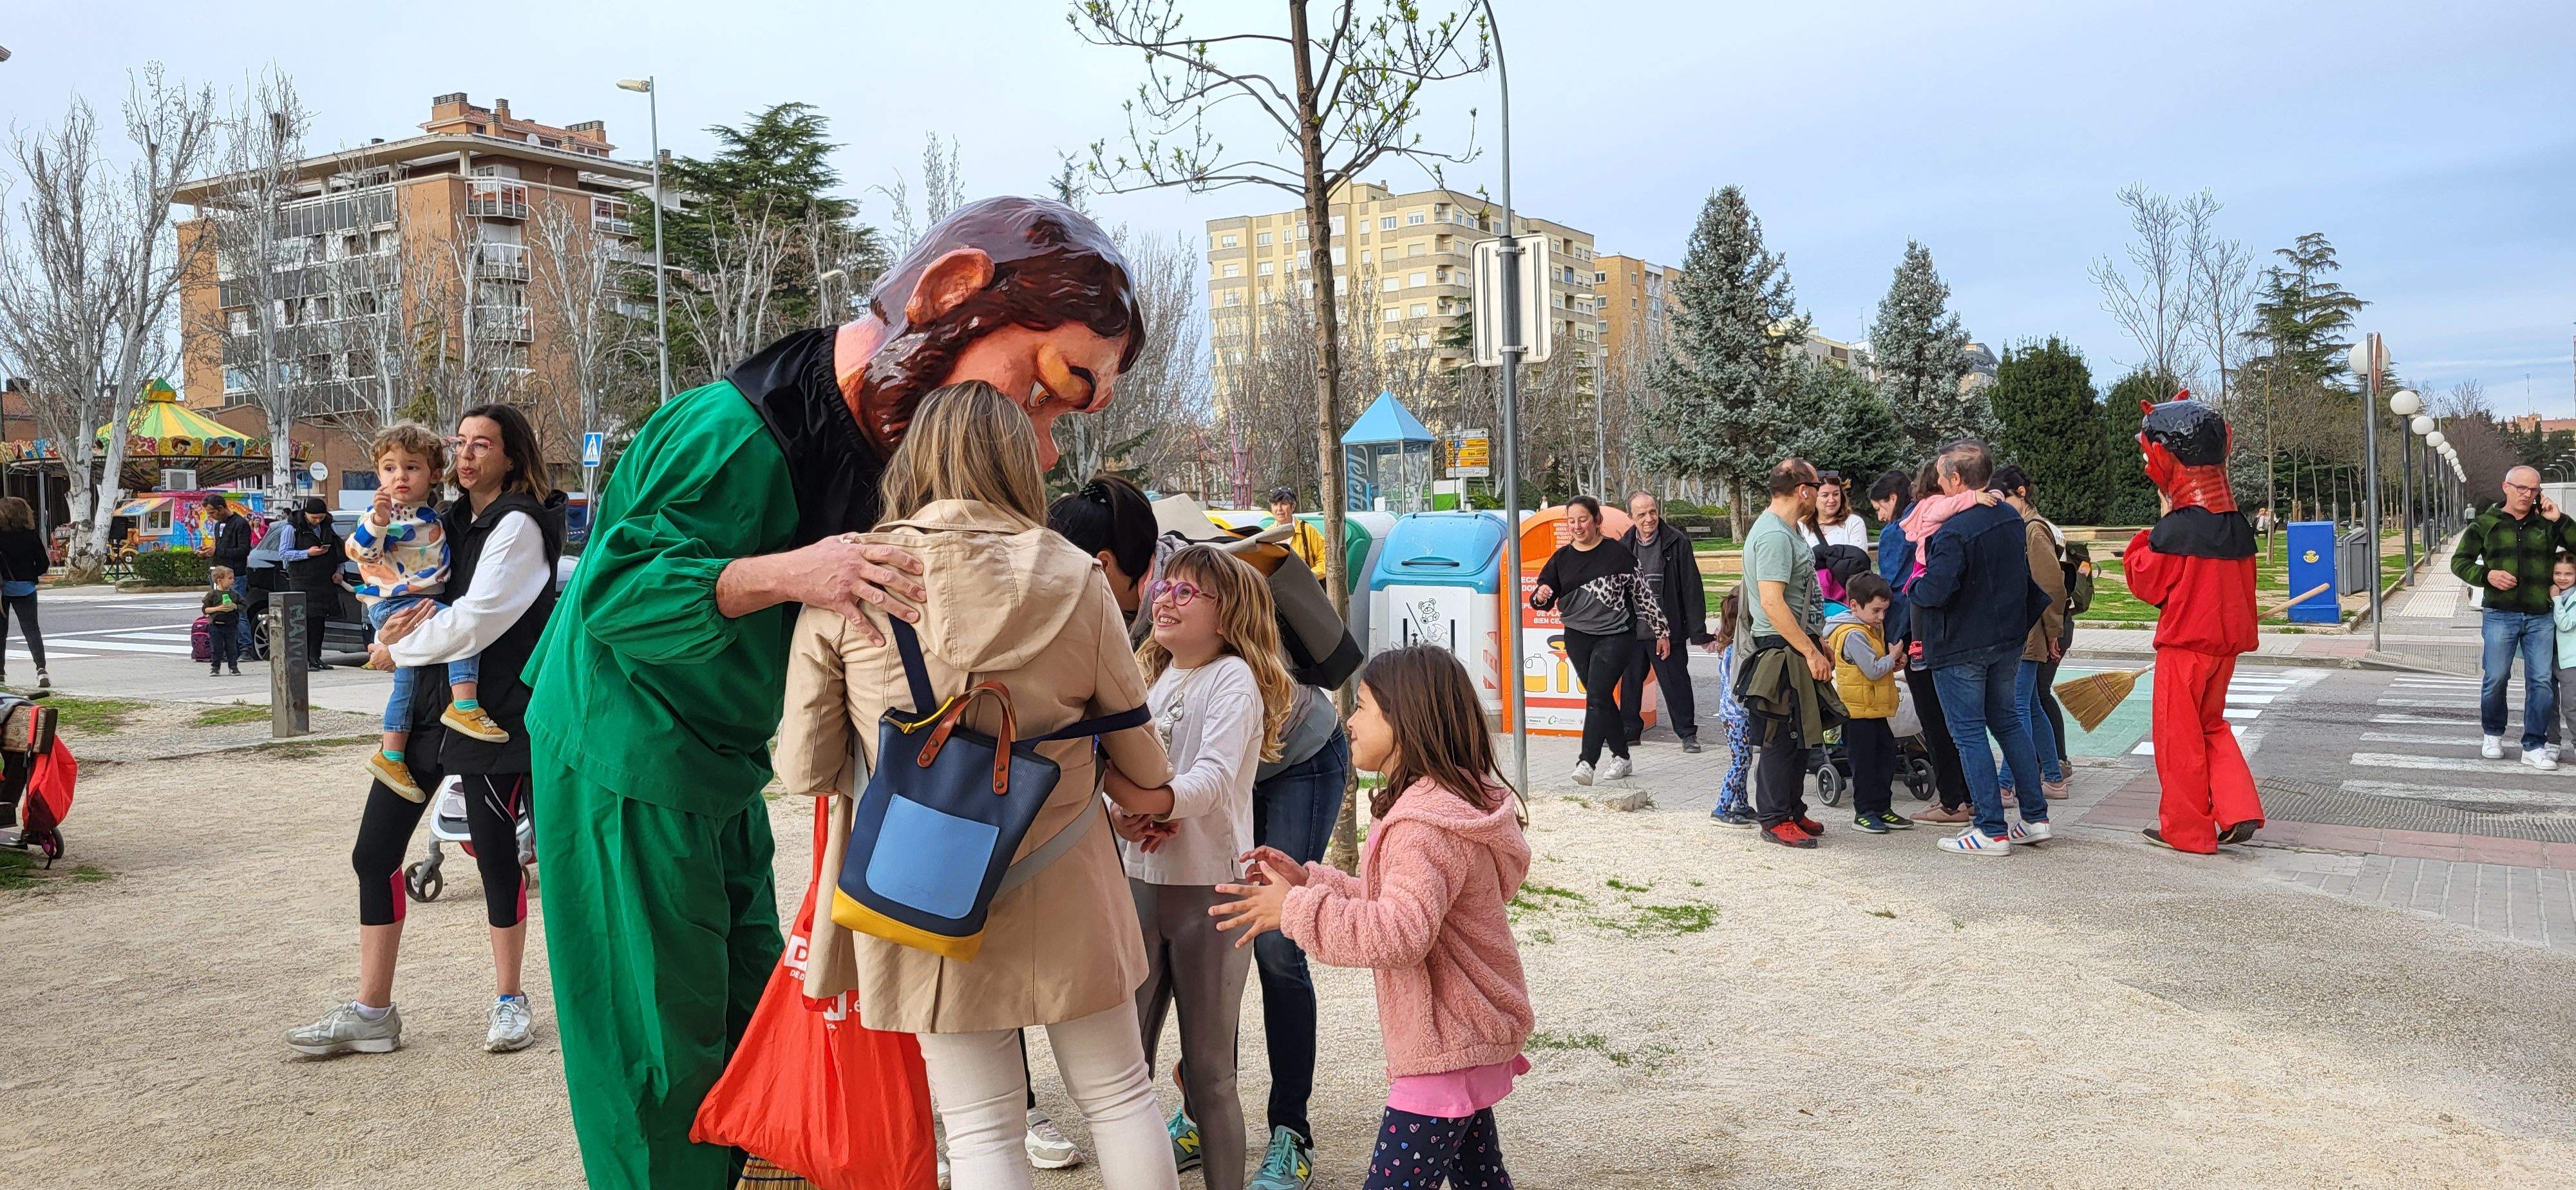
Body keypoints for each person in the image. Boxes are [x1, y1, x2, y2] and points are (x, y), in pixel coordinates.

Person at [525, 195, 1144, 1189]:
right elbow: (614, 592)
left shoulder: (885, 448)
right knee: (654, 1047)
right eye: (1044, 393)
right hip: (628, 750)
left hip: (721, 763)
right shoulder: (733, 431)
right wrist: (788, 573)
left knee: (739, 1020)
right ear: (953, 298)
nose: (1044, 448)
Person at [773, 386, 1182, 1190]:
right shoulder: (1075, 575)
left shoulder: (854, 575)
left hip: (920, 883)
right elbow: (1139, 749)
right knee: (1119, 1094)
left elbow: (802, 768)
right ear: (1017, 461)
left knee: (981, 1129)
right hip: (1066, 869)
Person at [287, 403, 564, 1059]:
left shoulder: (519, 523)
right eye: (460, 443)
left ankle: (509, 1002)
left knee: (497, 859)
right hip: (426, 708)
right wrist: (386, 610)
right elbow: (387, 574)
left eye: (483, 445)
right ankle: (372, 1011)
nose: (467, 456)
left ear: (512, 455)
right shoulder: (447, 519)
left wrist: (393, 648)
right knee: (373, 854)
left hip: (491, 710)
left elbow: (478, 617)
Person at [1211, 645, 1532, 1190]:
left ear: (1405, 723)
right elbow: (1406, 905)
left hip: (1445, 1042)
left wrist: (1294, 909)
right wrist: (1314, 882)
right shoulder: (1444, 804)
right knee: (1481, 1179)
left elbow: (1399, 934)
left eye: (1361, 707)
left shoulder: (1424, 827)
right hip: (1463, 1029)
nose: (1348, 721)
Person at [1097, 543, 1293, 1190]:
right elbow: (1124, 771)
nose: (1166, 599)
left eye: (1187, 592)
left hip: (1212, 893)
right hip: (1143, 885)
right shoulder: (1152, 676)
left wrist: (1143, 801)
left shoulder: (1233, 678)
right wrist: (1126, 813)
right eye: (1164, 588)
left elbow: (1208, 781)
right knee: (1127, 1068)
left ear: (1227, 613)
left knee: (1210, 1074)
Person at [2125, 395, 2263, 853]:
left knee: (2178, 738)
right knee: (2211, 726)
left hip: (2186, 647)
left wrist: (2149, 534)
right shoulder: (2236, 525)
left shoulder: (2177, 529)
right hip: (2223, 647)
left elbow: (2146, 581)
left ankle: (2186, 830)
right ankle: (2237, 806)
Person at [346, 424, 510, 802]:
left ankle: (391, 754)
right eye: (389, 468)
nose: (399, 476)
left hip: (409, 604)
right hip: (399, 603)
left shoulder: (432, 516)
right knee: (459, 627)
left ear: (434, 474)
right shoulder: (383, 515)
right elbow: (360, 553)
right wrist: (379, 522)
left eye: (412, 468)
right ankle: (465, 703)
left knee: (405, 682)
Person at [1910, 441, 2052, 856]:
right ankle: (2035, 818)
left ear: (1956, 480)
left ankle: (1990, 829)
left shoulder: (1952, 530)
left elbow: (1935, 591)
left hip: (1960, 645)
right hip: (2006, 638)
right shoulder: (2008, 515)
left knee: (1968, 733)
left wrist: (1914, 584)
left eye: (1941, 476)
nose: (1937, 482)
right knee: (2008, 723)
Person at [1529, 495, 1667, 786]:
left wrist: (1661, 631)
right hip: (1578, 636)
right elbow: (1542, 597)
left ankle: (1587, 762)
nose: (1577, 526)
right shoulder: (1562, 559)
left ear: (1597, 521)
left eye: (1583, 520)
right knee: (1600, 697)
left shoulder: (1618, 555)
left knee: (1597, 696)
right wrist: (1540, 595)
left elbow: (1643, 596)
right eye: (1572, 521)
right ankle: (1622, 756)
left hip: (1616, 634)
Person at [1736, 459, 1833, 849]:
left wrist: (1815, 638)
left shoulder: (1788, 530)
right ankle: (1774, 818)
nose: (1821, 492)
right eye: (1817, 484)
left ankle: (1792, 808)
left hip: (1795, 643)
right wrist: (1808, 650)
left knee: (1800, 732)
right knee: (1782, 733)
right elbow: (1773, 603)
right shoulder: (1774, 536)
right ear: (1803, 490)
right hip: (1780, 649)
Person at [2452, 463, 2575, 769]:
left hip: (2540, 616)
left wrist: (2559, 519)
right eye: (2521, 487)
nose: (2527, 494)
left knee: (2542, 681)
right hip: (2499, 614)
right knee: (2496, 677)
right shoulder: (2486, 523)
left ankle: (2534, 745)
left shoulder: (2547, 524)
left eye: (2533, 489)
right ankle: (2492, 734)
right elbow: (2459, 562)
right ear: (2506, 487)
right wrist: (2487, 575)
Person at [1871, 469, 1970, 822]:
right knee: (1959, 719)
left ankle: (1952, 800)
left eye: (1880, 508)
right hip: (1951, 631)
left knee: (1933, 717)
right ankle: (1968, 792)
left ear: (1894, 500)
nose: (1880, 517)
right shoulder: (1952, 521)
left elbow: (1895, 588)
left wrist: (1895, 640)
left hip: (1916, 634)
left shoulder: (1900, 531)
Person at [1992, 466, 2071, 802]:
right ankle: (2053, 779)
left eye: (2004, 498)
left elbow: (2051, 586)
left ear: (2020, 494)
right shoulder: (2024, 528)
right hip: (2032, 629)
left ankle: (2007, 783)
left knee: (2017, 710)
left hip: (2031, 631)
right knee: (2031, 707)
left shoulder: (2032, 531)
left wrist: (2054, 631)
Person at [1617, 491, 1711, 753]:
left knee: (1676, 682)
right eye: (1642, 514)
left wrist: (1698, 633)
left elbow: (1692, 589)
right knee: (1630, 682)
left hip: (1667, 631)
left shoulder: (1676, 542)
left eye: (1653, 512)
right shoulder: (1624, 545)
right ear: (1630, 517)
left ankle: (1687, 735)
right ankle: (1629, 732)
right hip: (1633, 630)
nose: (1650, 519)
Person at [1827, 573, 1913, 833]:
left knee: (1885, 757)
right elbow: (1873, 670)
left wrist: (1894, 663)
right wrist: (1892, 657)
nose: (1881, 617)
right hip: (1857, 712)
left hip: (1873, 708)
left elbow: (1878, 666)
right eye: (1876, 610)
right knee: (1865, 764)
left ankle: (1882, 808)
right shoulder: (1853, 634)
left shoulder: (1870, 627)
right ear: (1854, 606)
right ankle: (1864, 812)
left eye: (1885, 611)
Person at [1707, 586, 1757, 827]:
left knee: (1744, 759)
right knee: (1740, 762)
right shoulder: (1734, 653)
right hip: (1737, 715)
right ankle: (1721, 807)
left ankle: (1741, 804)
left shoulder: (1728, 647)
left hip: (1733, 714)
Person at [285, 496, 344, 670]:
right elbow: (284, 553)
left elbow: (339, 551)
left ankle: (316, 656)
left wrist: (339, 572)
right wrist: (307, 553)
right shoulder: (292, 528)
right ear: (306, 514)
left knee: (319, 619)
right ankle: (305, 659)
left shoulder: (327, 527)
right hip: (303, 580)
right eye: (314, 518)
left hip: (324, 580)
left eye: (321, 517)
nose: (318, 521)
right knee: (306, 619)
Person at [0, 497, 49, 690]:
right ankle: (41, 670)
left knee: (1, 633)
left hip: (2, 591)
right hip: (25, 589)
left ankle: (1, 674)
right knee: (31, 630)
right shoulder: (31, 536)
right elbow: (43, 564)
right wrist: (29, 575)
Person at [203, 493, 256, 655]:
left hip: (235, 575)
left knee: (236, 610)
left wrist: (218, 550)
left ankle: (246, 648)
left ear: (221, 508)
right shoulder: (219, 526)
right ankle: (226, 649)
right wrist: (209, 552)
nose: (211, 517)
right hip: (219, 574)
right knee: (219, 610)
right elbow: (221, 549)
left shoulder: (240, 524)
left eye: (213, 513)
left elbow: (243, 550)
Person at [1799, 471, 1871, 550]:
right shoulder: (1801, 526)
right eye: (1825, 495)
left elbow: (1858, 559)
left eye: (1836, 494)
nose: (1832, 500)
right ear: (1813, 497)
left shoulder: (1854, 523)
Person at [1267, 486, 1328, 577]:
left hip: (1305, 588)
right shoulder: (1266, 535)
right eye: (1275, 505)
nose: (1279, 509)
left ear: (1293, 507)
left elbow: (1326, 559)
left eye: (1284, 504)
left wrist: (1311, 576)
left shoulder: (1307, 531)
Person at [2553, 557, 2576, 764]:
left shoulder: (2566, 598)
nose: (2562, 578)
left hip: (2570, 660)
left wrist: (2557, 600)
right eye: (2558, 573)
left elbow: (2566, 624)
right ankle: (2552, 743)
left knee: (2571, 705)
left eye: (2568, 574)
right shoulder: (2549, 594)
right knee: (2548, 704)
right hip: (2548, 656)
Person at [203, 565, 243, 677]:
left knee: (232, 647)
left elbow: (244, 606)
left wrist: (235, 607)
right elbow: (205, 609)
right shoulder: (213, 595)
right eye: (230, 578)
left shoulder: (235, 595)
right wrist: (218, 609)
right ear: (220, 581)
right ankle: (215, 667)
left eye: (233, 578)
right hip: (216, 626)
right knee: (217, 647)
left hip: (231, 625)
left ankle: (233, 667)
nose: (233, 581)